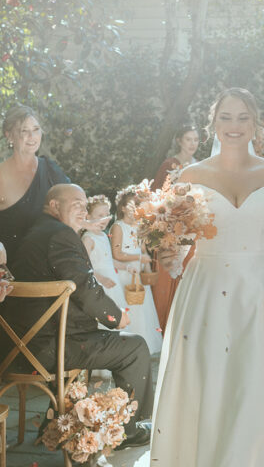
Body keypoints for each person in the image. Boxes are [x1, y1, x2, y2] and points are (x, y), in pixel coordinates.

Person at [150, 88, 264, 467]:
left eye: (242, 118)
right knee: (212, 383)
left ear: (256, 124)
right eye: (225, 118)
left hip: (263, 289)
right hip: (205, 290)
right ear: (213, 124)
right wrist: (169, 257)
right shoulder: (190, 176)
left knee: (260, 385)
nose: (234, 126)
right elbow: (181, 243)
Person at [3, 184, 153, 449]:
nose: (84, 210)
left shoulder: (34, 233)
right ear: (54, 206)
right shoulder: (60, 234)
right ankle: (127, 431)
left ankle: (55, 425)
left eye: (85, 205)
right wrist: (114, 317)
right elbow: (83, 285)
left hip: (20, 348)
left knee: (95, 340)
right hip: (53, 349)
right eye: (76, 204)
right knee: (135, 347)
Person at [0, 105, 69, 268]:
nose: (32, 136)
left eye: (36, 129)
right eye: (24, 131)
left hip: (51, 267)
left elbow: (73, 206)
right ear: (9, 136)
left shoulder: (51, 170)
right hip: (13, 275)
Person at [151, 125, 200, 331]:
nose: (192, 144)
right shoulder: (170, 164)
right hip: (170, 226)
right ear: (179, 140)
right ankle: (164, 326)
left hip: (192, 227)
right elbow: (157, 196)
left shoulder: (201, 166)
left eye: (196, 140)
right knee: (168, 273)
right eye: (188, 139)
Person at [110, 187, 162, 355]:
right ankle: (128, 349)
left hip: (137, 275)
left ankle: (144, 346)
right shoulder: (118, 227)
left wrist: (147, 271)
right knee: (130, 308)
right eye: (133, 205)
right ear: (123, 207)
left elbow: (143, 251)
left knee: (142, 310)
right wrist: (138, 260)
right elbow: (116, 253)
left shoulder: (139, 226)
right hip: (125, 274)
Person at [82, 195, 128, 324]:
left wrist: (127, 267)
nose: (104, 219)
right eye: (99, 215)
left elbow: (108, 261)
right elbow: (83, 265)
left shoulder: (103, 235)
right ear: (88, 217)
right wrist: (101, 279)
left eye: (106, 214)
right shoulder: (88, 239)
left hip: (112, 282)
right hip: (100, 283)